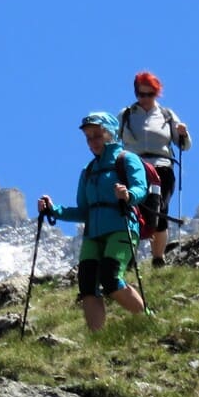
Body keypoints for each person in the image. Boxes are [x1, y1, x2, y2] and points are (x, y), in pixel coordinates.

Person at [37, 112, 148, 331]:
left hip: (121, 226)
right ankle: (97, 339)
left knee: (110, 277)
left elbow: (141, 189)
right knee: (87, 285)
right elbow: (83, 211)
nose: (92, 142)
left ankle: (146, 319)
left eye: (97, 135)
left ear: (110, 134)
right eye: (88, 138)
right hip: (93, 234)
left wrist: (128, 195)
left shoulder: (126, 159)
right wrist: (54, 209)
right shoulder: (88, 171)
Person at [118, 70, 191, 268]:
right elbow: (114, 143)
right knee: (132, 208)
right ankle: (130, 255)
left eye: (149, 94)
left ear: (156, 94)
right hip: (134, 167)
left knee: (159, 209)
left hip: (162, 167)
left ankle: (158, 258)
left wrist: (183, 133)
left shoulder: (167, 115)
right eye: (141, 94)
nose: (145, 99)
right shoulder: (125, 115)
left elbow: (183, 145)